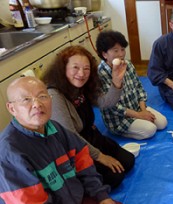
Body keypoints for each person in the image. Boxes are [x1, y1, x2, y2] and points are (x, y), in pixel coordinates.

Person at [0, 77, 128, 204]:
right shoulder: (9, 152)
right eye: (26, 100)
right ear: (12, 108)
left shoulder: (56, 129)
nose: (37, 104)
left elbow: (84, 164)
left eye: (42, 96)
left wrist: (100, 195)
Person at [42, 45, 135, 189]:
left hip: (92, 136)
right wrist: (100, 156)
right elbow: (70, 137)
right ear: (63, 69)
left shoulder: (82, 86)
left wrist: (117, 81)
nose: (81, 73)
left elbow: (105, 103)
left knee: (128, 161)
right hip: (75, 149)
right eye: (75, 67)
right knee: (115, 176)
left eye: (86, 68)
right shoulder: (55, 95)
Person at [96, 30, 168, 139]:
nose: (121, 54)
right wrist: (140, 116)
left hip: (137, 108)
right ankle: (120, 131)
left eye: (122, 49)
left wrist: (143, 110)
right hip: (119, 119)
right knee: (150, 129)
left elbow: (139, 88)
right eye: (115, 51)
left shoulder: (127, 64)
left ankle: (141, 121)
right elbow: (112, 107)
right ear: (104, 54)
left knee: (162, 123)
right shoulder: (100, 74)